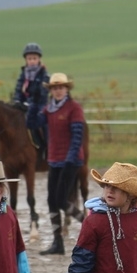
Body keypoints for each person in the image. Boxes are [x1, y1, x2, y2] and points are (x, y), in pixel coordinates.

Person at [39, 72, 86, 255]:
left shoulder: (74, 108)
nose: (58, 91)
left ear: (67, 89)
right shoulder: (48, 109)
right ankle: (58, 243)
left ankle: (87, 222)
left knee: (60, 200)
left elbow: (77, 136)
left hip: (70, 161)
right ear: (51, 91)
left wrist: (70, 158)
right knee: (51, 201)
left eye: (61, 87)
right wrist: (35, 102)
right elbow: (32, 123)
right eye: (55, 88)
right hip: (54, 160)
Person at [11, 43, 49, 161]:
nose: (32, 61)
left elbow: (43, 93)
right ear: (26, 60)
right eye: (29, 58)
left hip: (39, 105)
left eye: (34, 58)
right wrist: (17, 100)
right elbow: (19, 89)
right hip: (25, 105)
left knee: (41, 123)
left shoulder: (44, 75)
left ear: (39, 59)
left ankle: (46, 146)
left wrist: (31, 103)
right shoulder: (23, 74)